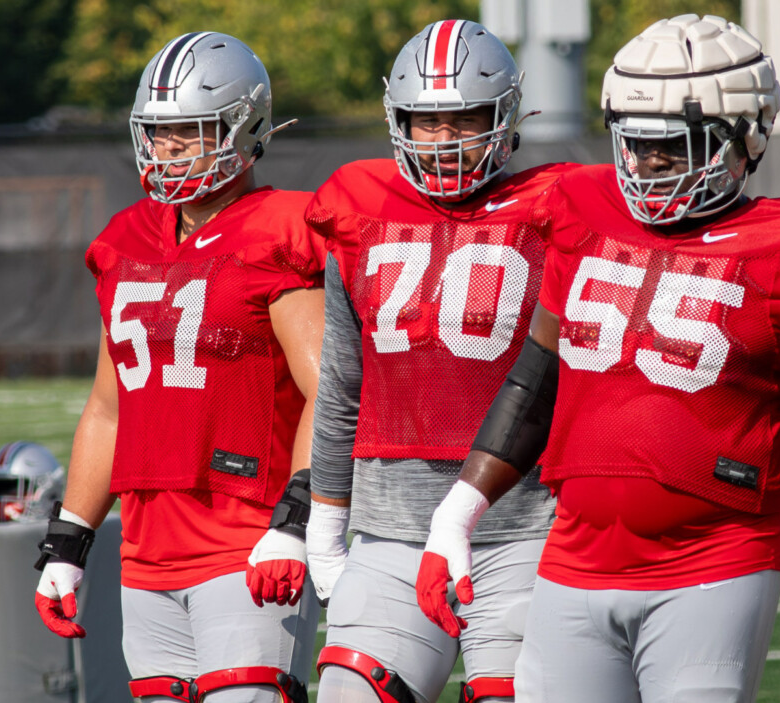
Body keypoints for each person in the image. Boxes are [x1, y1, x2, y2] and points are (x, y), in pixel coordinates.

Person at [416, 14, 780, 702]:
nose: (648, 163)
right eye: (635, 144)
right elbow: (535, 378)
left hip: (714, 562)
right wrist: (455, 513)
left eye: (673, 146)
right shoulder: (582, 207)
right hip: (573, 559)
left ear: (745, 137)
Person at [31, 32, 325, 703]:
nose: (167, 149)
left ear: (243, 129)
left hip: (245, 545)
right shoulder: (123, 239)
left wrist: (296, 517)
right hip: (145, 553)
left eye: (189, 132)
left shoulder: (278, 230)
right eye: (158, 132)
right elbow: (110, 407)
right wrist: (70, 538)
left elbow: (329, 390)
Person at [303, 19, 575, 703]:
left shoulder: (561, 211)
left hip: (528, 525)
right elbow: (341, 386)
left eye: (466, 117)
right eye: (427, 120)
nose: (446, 138)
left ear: (505, 117)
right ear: (399, 121)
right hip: (392, 530)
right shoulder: (359, 208)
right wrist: (325, 524)